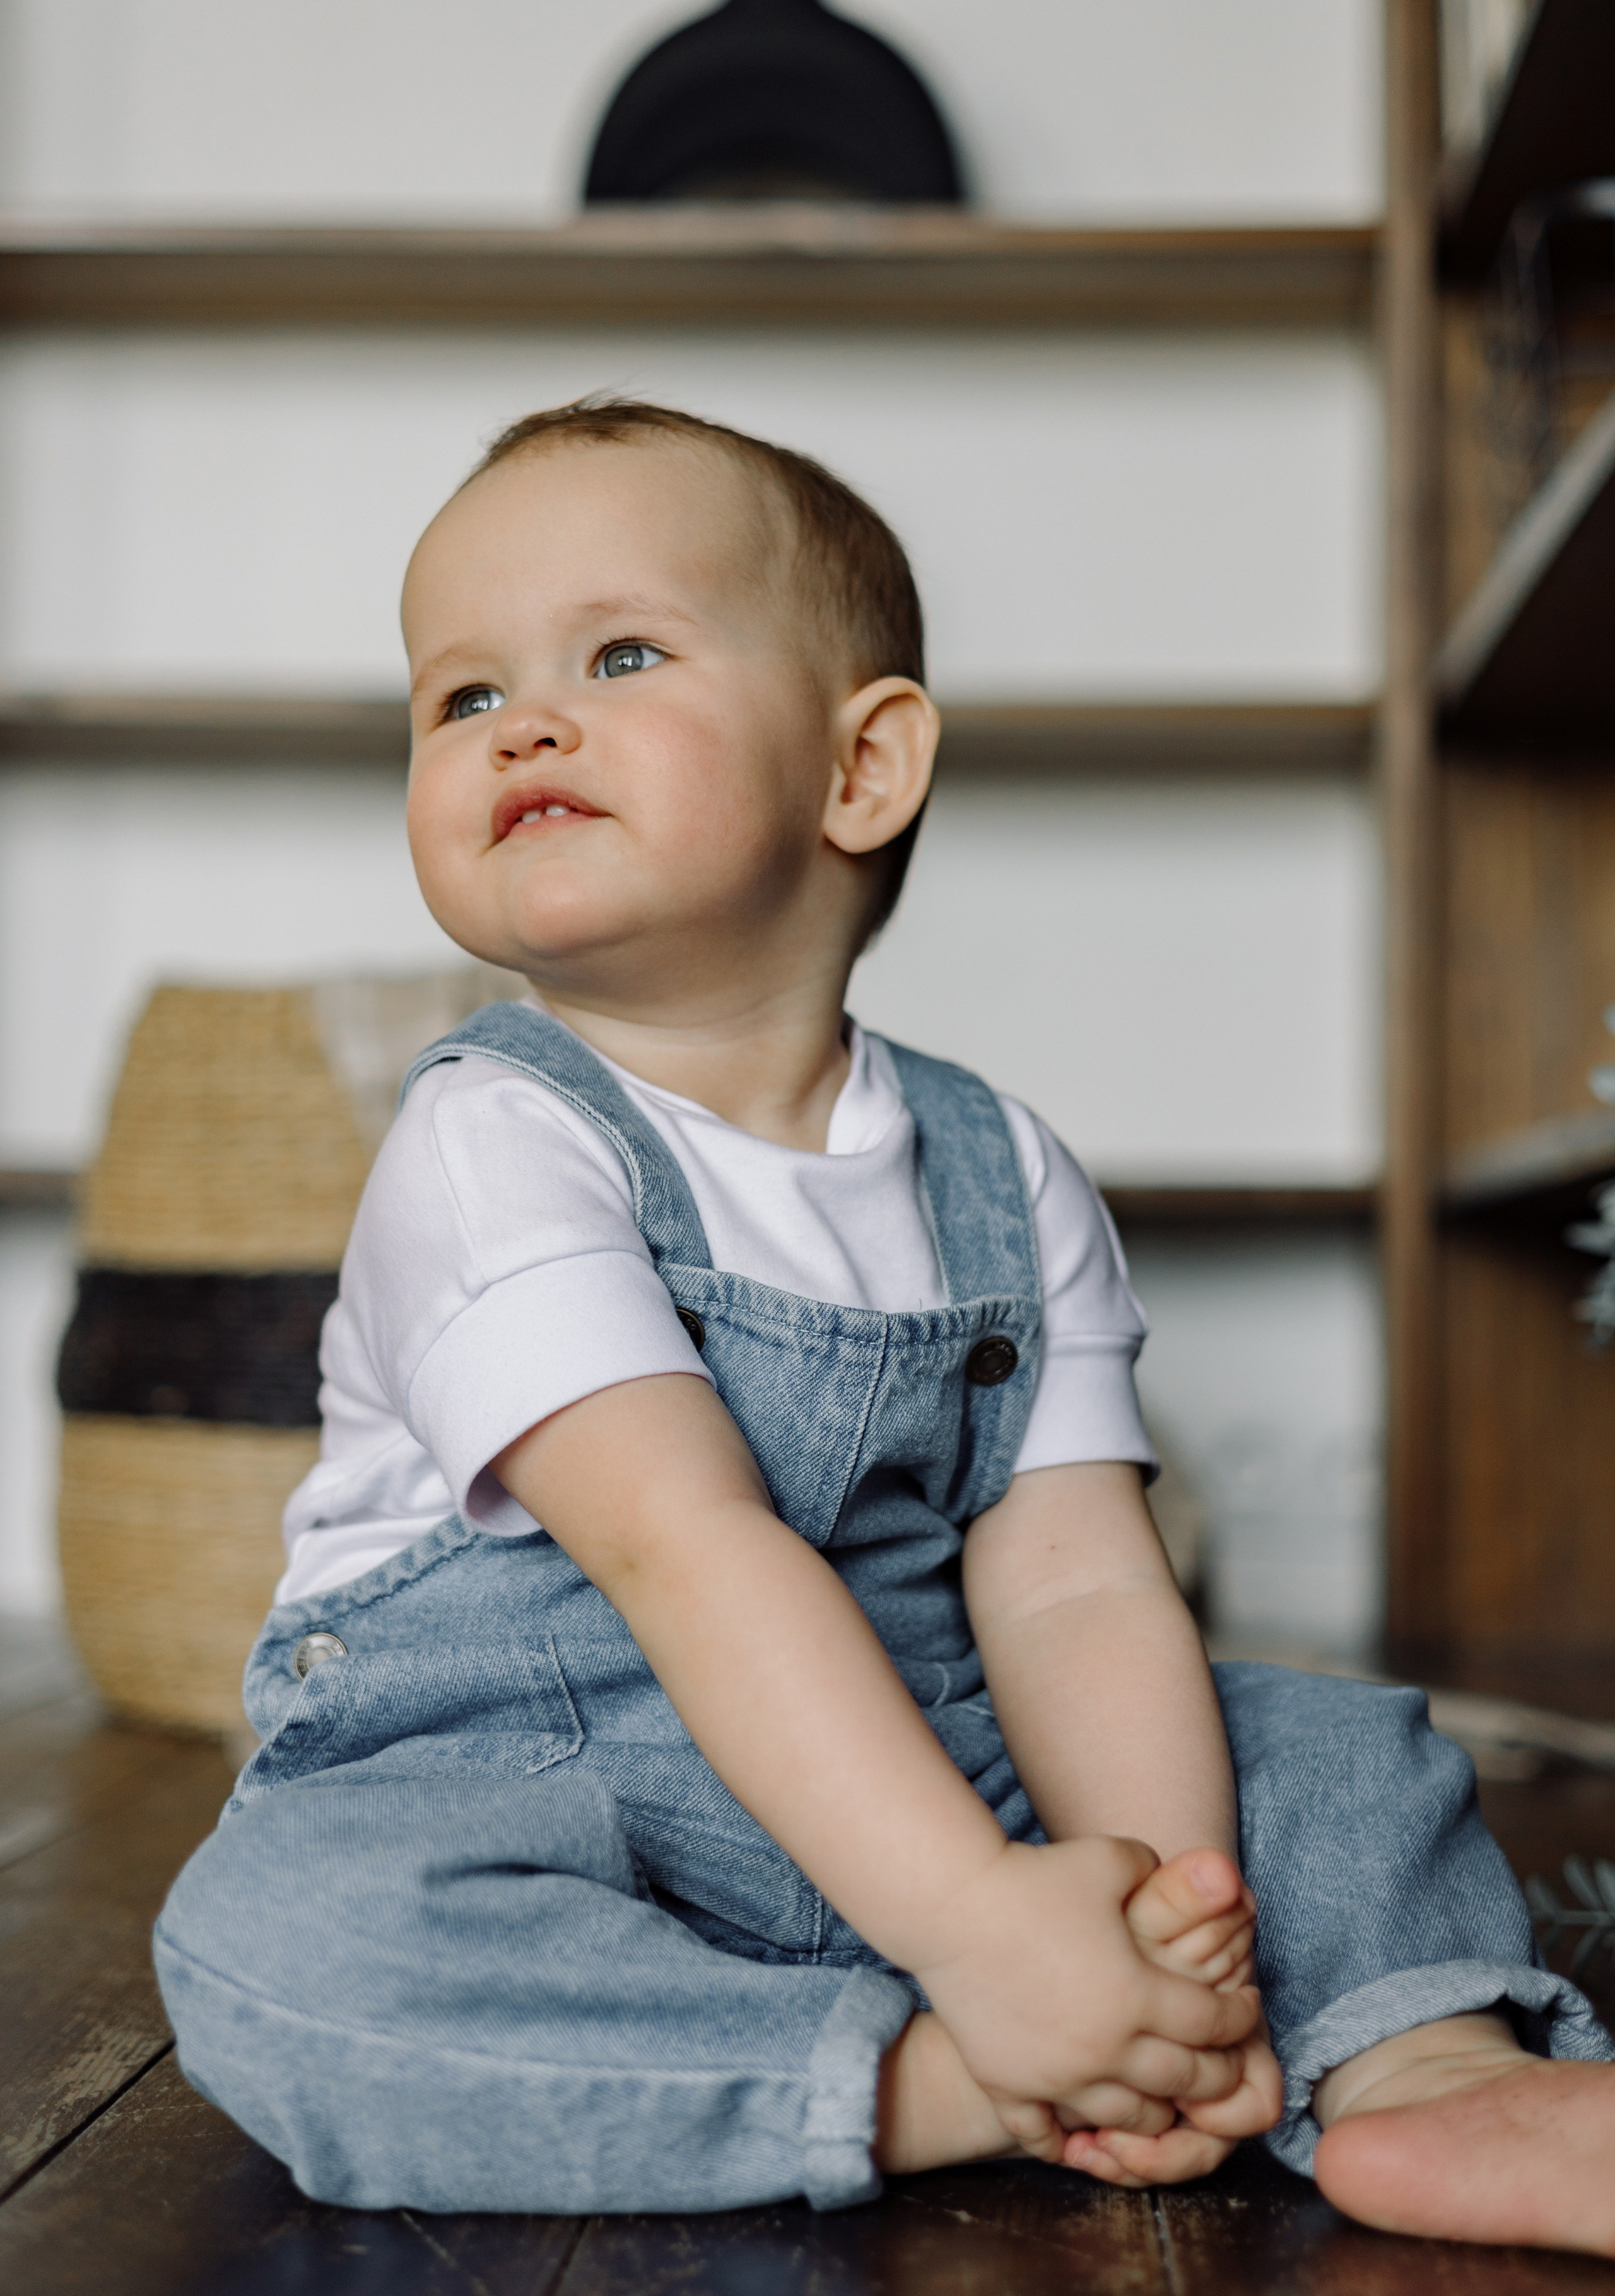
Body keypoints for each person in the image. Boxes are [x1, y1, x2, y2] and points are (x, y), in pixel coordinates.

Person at [155, 400, 1615, 2251]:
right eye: (458, 695)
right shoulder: (490, 1139)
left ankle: (1423, 2065)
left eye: (617, 654)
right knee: (289, 1941)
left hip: (929, 1760)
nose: (520, 718)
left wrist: (1158, 1928)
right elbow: (689, 1550)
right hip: (541, 1787)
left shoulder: (999, 1170)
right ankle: (929, 2076)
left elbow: (1077, 1585)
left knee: (1333, 1750)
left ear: (864, 767)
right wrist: (989, 1938)